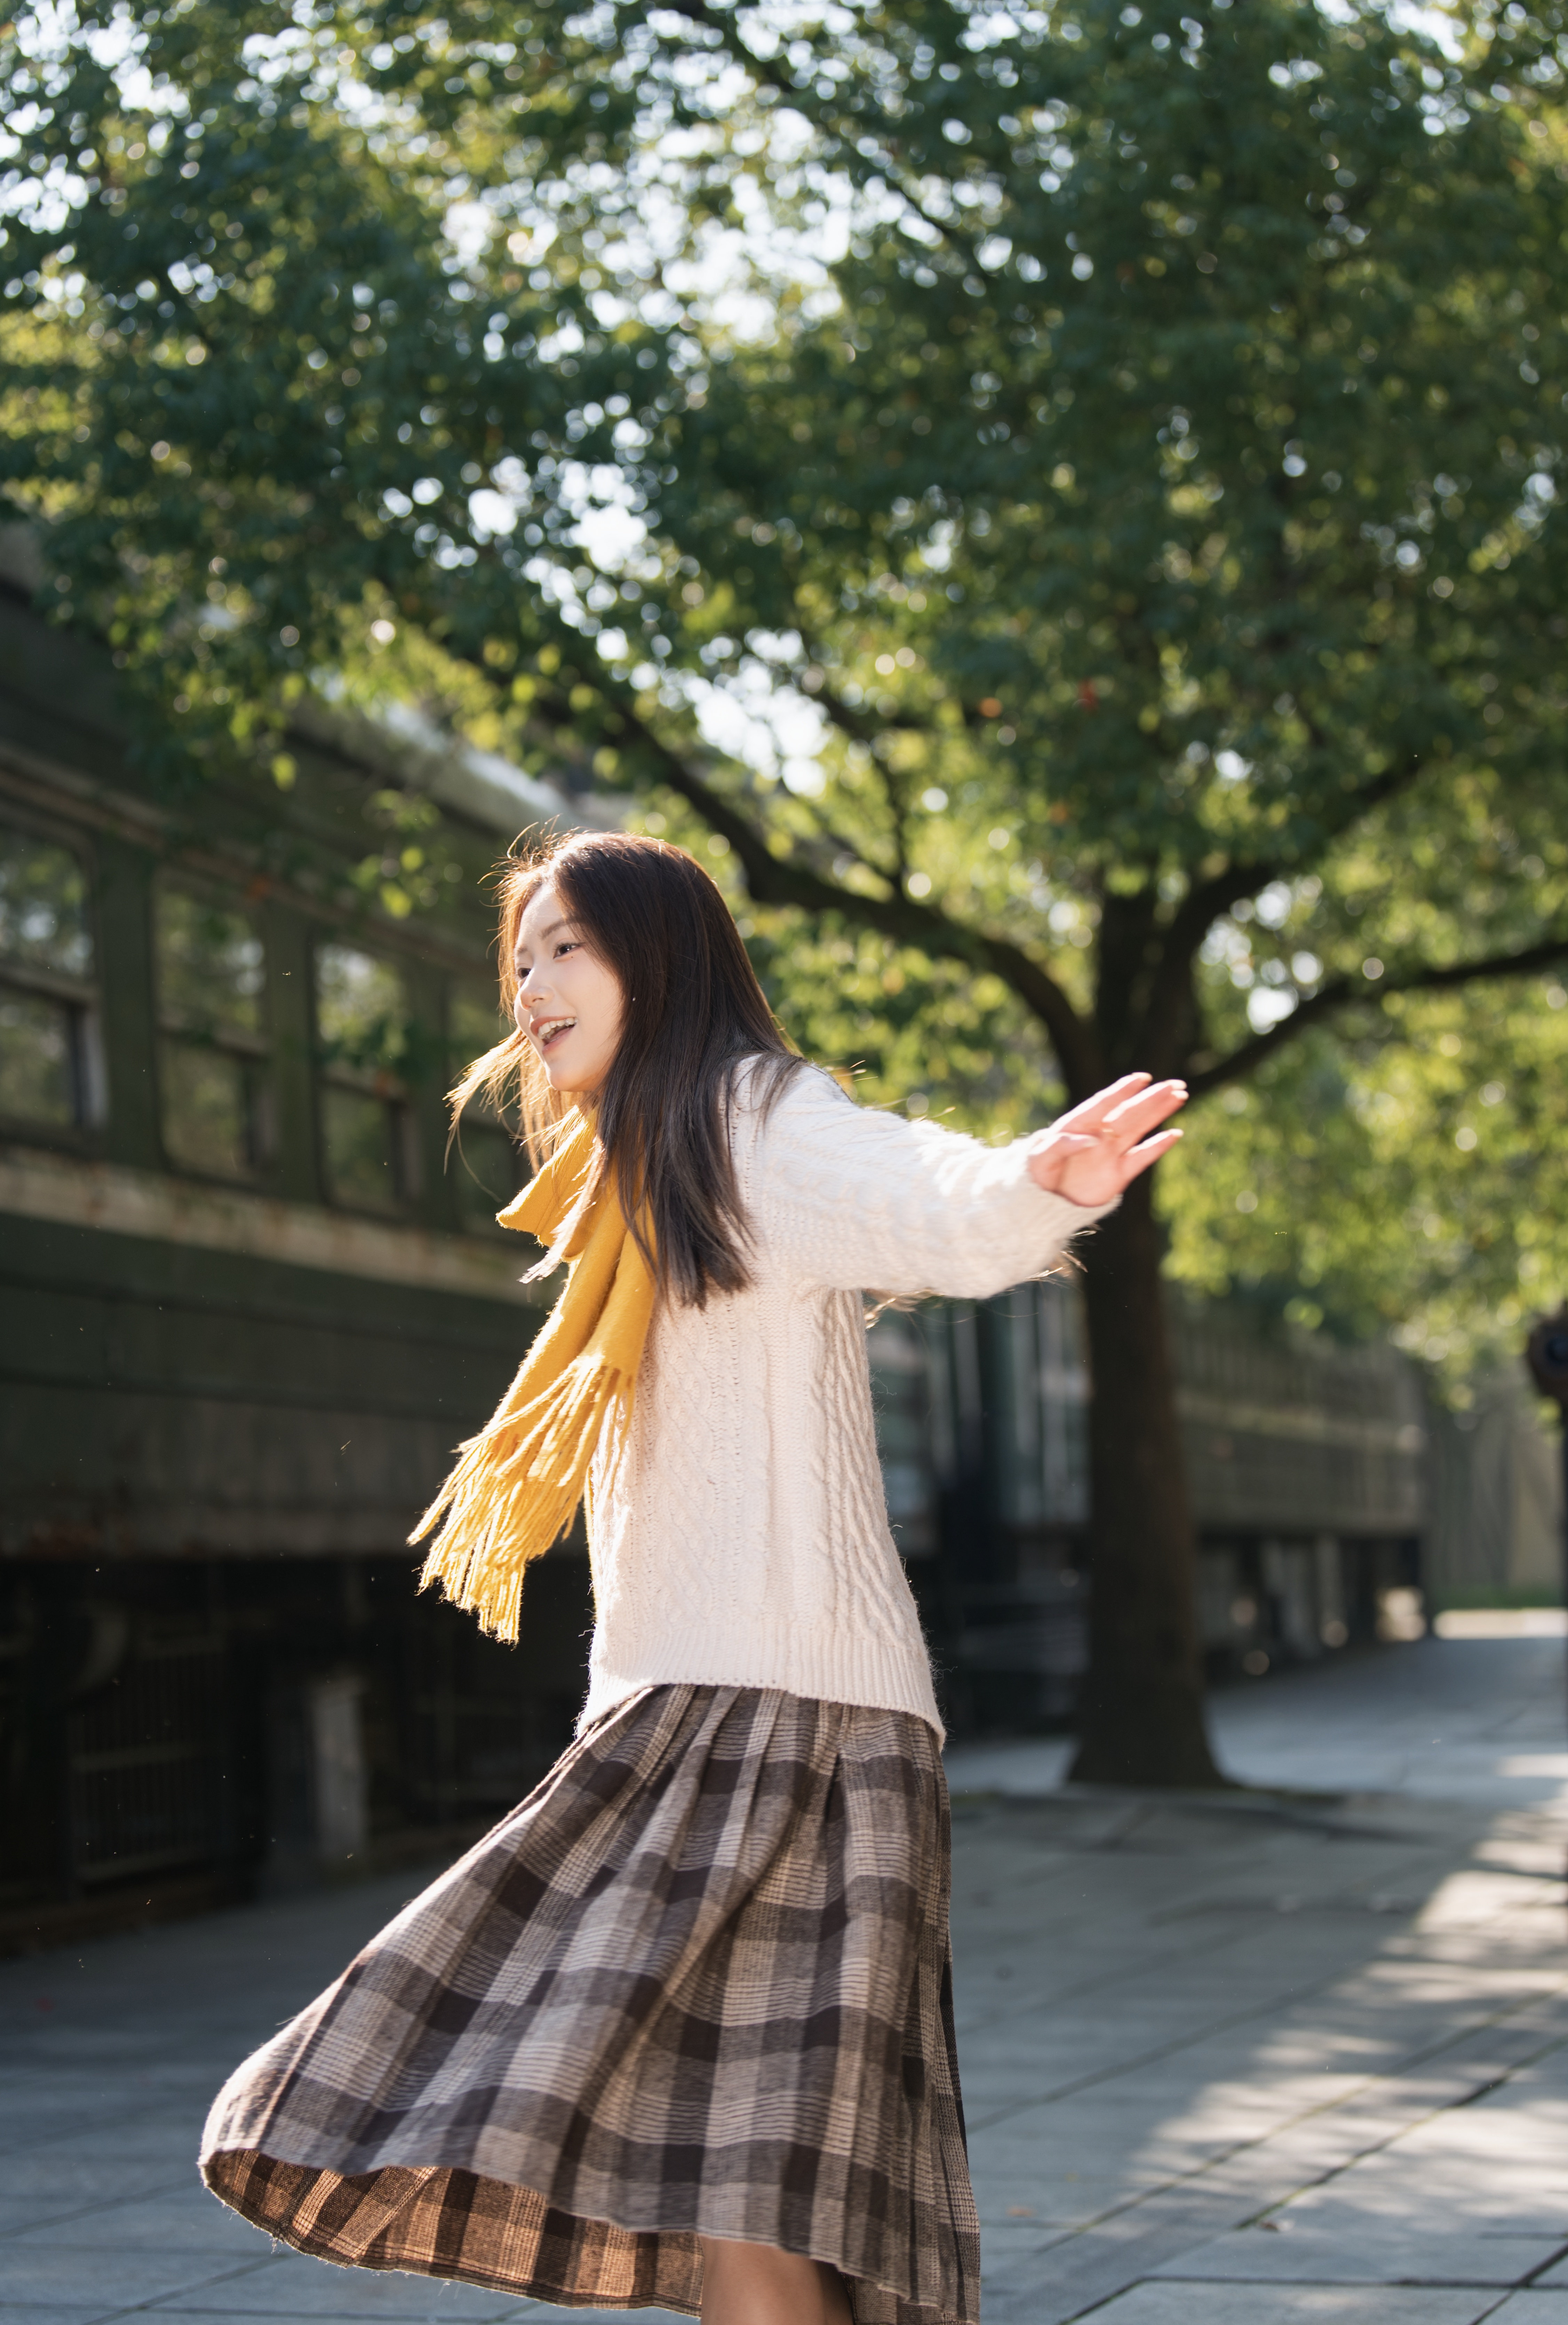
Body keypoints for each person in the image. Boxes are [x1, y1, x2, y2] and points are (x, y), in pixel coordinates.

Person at [201, 830, 1185, 2325]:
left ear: (659, 959)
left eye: (569, 948)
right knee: (748, 2193)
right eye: (522, 956)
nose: (532, 984)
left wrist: (1036, 1183)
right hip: (679, 1714)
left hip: (796, 1725)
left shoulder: (751, 1123)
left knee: (758, 2183)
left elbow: (913, 1191)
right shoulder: (627, 1179)